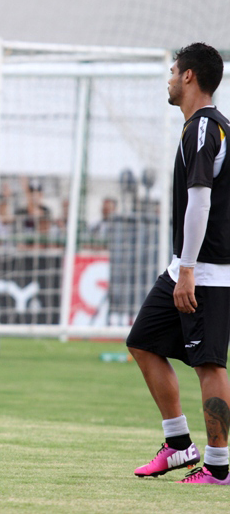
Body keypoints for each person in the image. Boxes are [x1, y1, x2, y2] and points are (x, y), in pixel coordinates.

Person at [128, 42, 230, 485]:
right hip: (185, 265)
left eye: (172, 70)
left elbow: (201, 201)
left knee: (209, 364)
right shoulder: (201, 129)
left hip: (205, 269)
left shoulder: (206, 130)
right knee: (142, 340)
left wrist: (188, 268)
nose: (168, 78)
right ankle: (177, 446)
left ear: (189, 76)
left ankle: (219, 465)